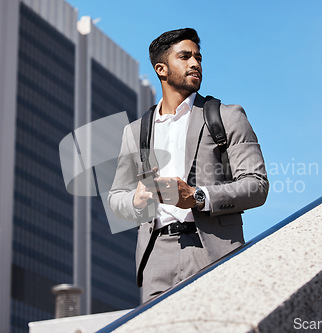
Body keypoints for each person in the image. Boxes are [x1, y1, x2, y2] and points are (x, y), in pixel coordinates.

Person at [108, 28, 269, 303]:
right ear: (161, 69)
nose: (195, 63)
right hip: (156, 256)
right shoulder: (134, 132)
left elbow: (257, 185)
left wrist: (197, 197)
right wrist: (135, 201)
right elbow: (115, 198)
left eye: (198, 57)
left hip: (213, 248)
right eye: (185, 57)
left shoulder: (227, 116)